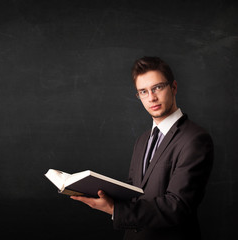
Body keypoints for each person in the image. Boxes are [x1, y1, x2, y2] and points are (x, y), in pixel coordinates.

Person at [71, 57, 214, 240]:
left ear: (174, 87)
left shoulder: (195, 138)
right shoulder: (142, 140)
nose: (151, 98)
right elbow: (135, 191)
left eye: (158, 88)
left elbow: (177, 206)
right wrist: (99, 191)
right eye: (143, 92)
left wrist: (115, 209)